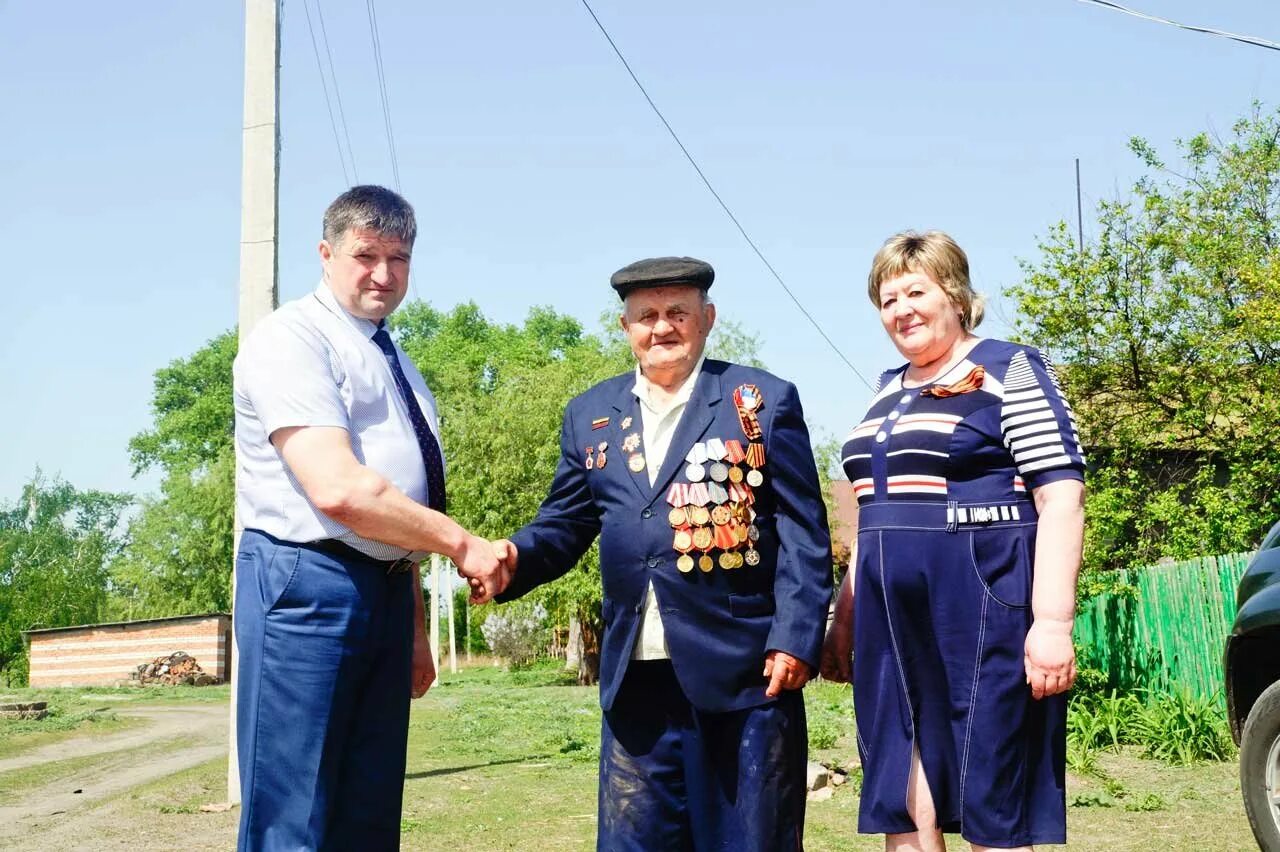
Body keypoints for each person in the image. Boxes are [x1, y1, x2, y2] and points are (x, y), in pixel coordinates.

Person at [492, 257, 833, 851]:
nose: (662, 327)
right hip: (636, 683)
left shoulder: (762, 400)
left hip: (745, 677)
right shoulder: (590, 415)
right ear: (625, 327)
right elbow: (565, 525)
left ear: (708, 319)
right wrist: (509, 559)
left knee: (752, 842)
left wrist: (797, 634)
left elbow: (803, 533)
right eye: (646, 315)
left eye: (678, 312)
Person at [232, 185, 510, 851]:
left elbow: (397, 511)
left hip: (382, 590)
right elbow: (340, 492)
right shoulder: (291, 339)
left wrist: (413, 627)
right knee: (294, 816)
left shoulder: (395, 358)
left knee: (368, 813)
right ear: (326, 254)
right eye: (366, 255)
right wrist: (462, 545)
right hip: (307, 586)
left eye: (401, 258)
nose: (384, 274)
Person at [820, 230, 1085, 851]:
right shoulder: (887, 385)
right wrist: (845, 614)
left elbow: (1060, 496)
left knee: (990, 785)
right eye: (887, 299)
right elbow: (870, 513)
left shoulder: (1010, 367)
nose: (901, 310)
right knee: (900, 786)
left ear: (958, 297)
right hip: (888, 619)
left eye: (917, 291)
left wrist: (1051, 623)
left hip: (982, 604)